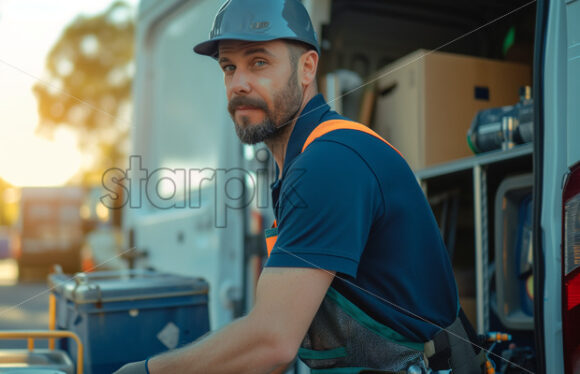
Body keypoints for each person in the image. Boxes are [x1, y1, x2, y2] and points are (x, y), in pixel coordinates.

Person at [115, 0, 484, 373]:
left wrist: (146, 371)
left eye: (258, 62)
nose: (238, 84)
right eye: (229, 67)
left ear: (307, 68)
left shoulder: (330, 162)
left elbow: (272, 342)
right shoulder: (303, 162)